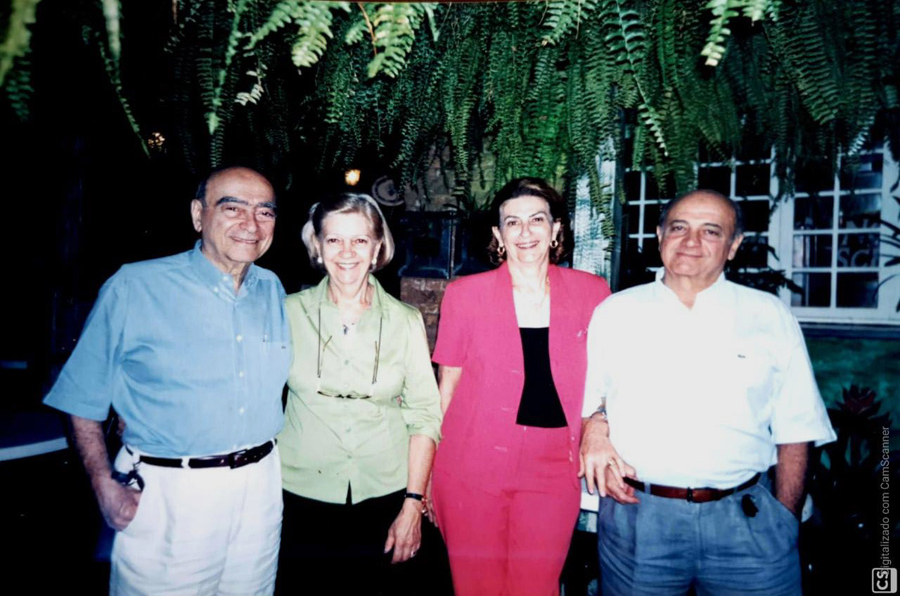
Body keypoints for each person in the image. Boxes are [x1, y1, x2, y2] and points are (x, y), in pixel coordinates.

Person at [44, 167, 292, 595]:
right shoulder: (135, 286)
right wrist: (104, 484)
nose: (250, 224)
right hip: (172, 494)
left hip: (261, 489)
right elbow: (81, 396)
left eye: (264, 212)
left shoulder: (271, 288)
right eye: (232, 207)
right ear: (199, 215)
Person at [580, 189, 837, 595]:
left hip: (747, 524)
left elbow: (797, 428)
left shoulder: (769, 315)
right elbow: (587, 399)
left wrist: (784, 519)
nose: (691, 242)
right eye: (679, 227)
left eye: (711, 231)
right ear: (660, 234)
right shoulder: (615, 312)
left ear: (733, 246)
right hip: (639, 524)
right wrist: (594, 425)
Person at [430, 177, 611, 596]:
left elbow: (607, 376)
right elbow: (447, 387)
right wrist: (431, 472)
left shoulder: (592, 292)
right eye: (513, 223)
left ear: (556, 229)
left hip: (552, 469)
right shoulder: (464, 294)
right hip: (470, 467)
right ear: (498, 234)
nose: (525, 232)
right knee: (477, 588)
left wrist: (598, 425)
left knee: (537, 586)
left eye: (537, 220)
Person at [276, 193, 442, 595]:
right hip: (300, 494)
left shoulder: (405, 321)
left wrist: (413, 504)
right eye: (334, 240)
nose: (347, 252)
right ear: (316, 246)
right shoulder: (286, 312)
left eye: (360, 241)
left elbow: (424, 415)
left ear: (377, 248)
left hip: (384, 493)